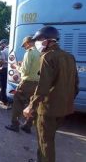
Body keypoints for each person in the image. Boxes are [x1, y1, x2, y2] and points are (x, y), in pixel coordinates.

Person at [23, 26, 79, 162]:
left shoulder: (48, 57)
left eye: (38, 40)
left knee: (45, 142)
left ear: (47, 40)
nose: (36, 43)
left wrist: (31, 106)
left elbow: (43, 86)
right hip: (63, 108)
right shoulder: (69, 56)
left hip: (48, 109)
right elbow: (75, 85)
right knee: (48, 138)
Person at [5, 36, 40, 134]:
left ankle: (15, 124)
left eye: (24, 45)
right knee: (32, 105)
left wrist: (16, 66)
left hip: (26, 83)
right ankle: (28, 125)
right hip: (36, 83)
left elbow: (25, 71)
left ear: (28, 43)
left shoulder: (29, 53)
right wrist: (22, 64)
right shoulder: (40, 53)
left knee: (17, 102)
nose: (24, 47)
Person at [0, 39, 9, 106]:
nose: (0, 46)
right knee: (8, 84)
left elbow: (2, 61)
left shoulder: (3, 51)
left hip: (5, 69)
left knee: (3, 85)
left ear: (4, 44)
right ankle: (8, 99)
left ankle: (4, 100)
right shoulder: (11, 49)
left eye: (1, 44)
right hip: (10, 70)